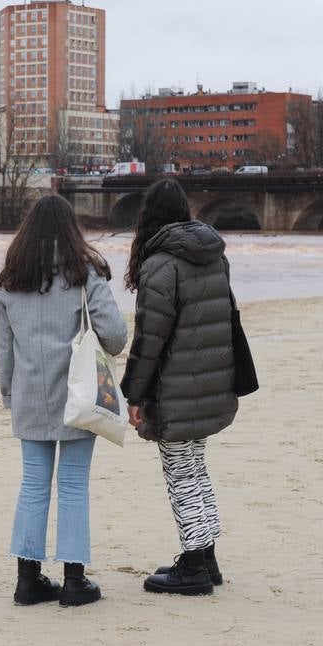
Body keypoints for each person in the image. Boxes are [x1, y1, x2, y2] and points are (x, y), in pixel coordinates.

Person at [0, 194, 127, 607]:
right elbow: (116, 336)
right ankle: (74, 580)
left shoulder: (12, 276)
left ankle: (27, 580)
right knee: (72, 485)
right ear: (71, 229)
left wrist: (9, 394)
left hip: (29, 393)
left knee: (33, 484)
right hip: (78, 392)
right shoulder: (84, 272)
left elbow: (4, 348)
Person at [120, 178, 239, 596]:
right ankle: (206, 557)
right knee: (196, 466)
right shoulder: (214, 255)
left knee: (179, 471)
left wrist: (134, 394)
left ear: (148, 216)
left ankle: (192, 566)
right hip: (212, 381)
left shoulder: (160, 265)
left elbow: (149, 339)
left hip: (174, 387)